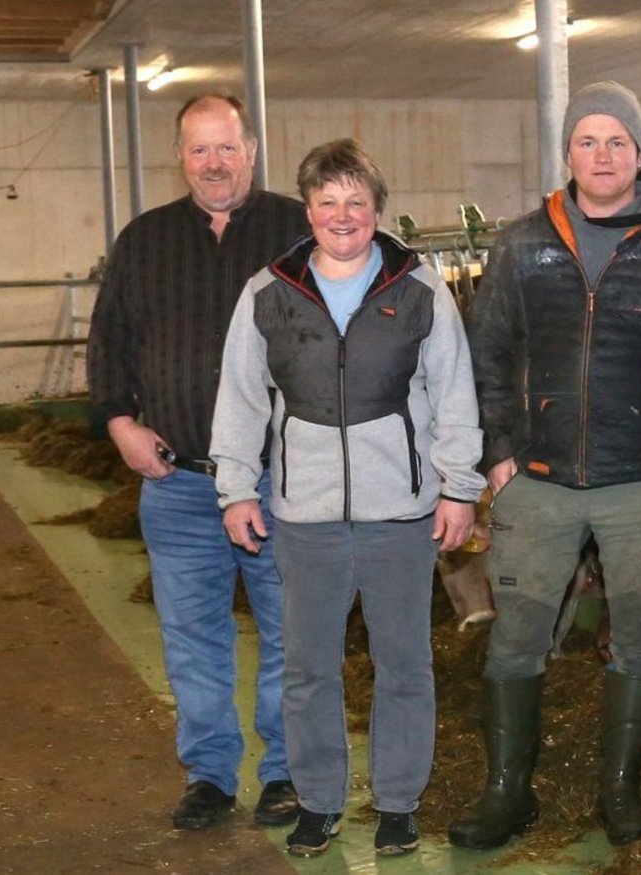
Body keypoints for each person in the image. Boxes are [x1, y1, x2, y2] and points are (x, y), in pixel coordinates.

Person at [449, 81, 641, 849]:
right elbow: (485, 354)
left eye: (617, 141)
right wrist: (499, 455)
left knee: (639, 633)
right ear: (567, 153)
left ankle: (621, 787)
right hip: (536, 483)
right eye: (587, 140)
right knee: (517, 634)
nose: (602, 155)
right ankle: (507, 792)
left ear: (640, 152)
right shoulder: (521, 245)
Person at [210, 138, 484, 859]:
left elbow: (454, 393)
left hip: (401, 513)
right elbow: (240, 397)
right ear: (308, 210)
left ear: (376, 210)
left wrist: (459, 487)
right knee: (308, 668)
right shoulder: (268, 292)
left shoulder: (419, 289)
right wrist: (235, 488)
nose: (342, 214)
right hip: (305, 517)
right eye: (327, 201)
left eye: (356, 201)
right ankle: (319, 800)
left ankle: (397, 803)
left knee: (404, 663)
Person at [85, 93, 309, 832]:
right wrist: (120, 423)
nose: (214, 163)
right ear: (179, 157)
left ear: (252, 150)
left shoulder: (297, 231)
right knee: (191, 635)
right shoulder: (144, 240)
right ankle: (210, 774)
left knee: (291, 631)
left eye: (227, 147)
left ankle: (287, 772)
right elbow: (109, 342)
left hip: (282, 481)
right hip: (179, 481)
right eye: (199, 149)